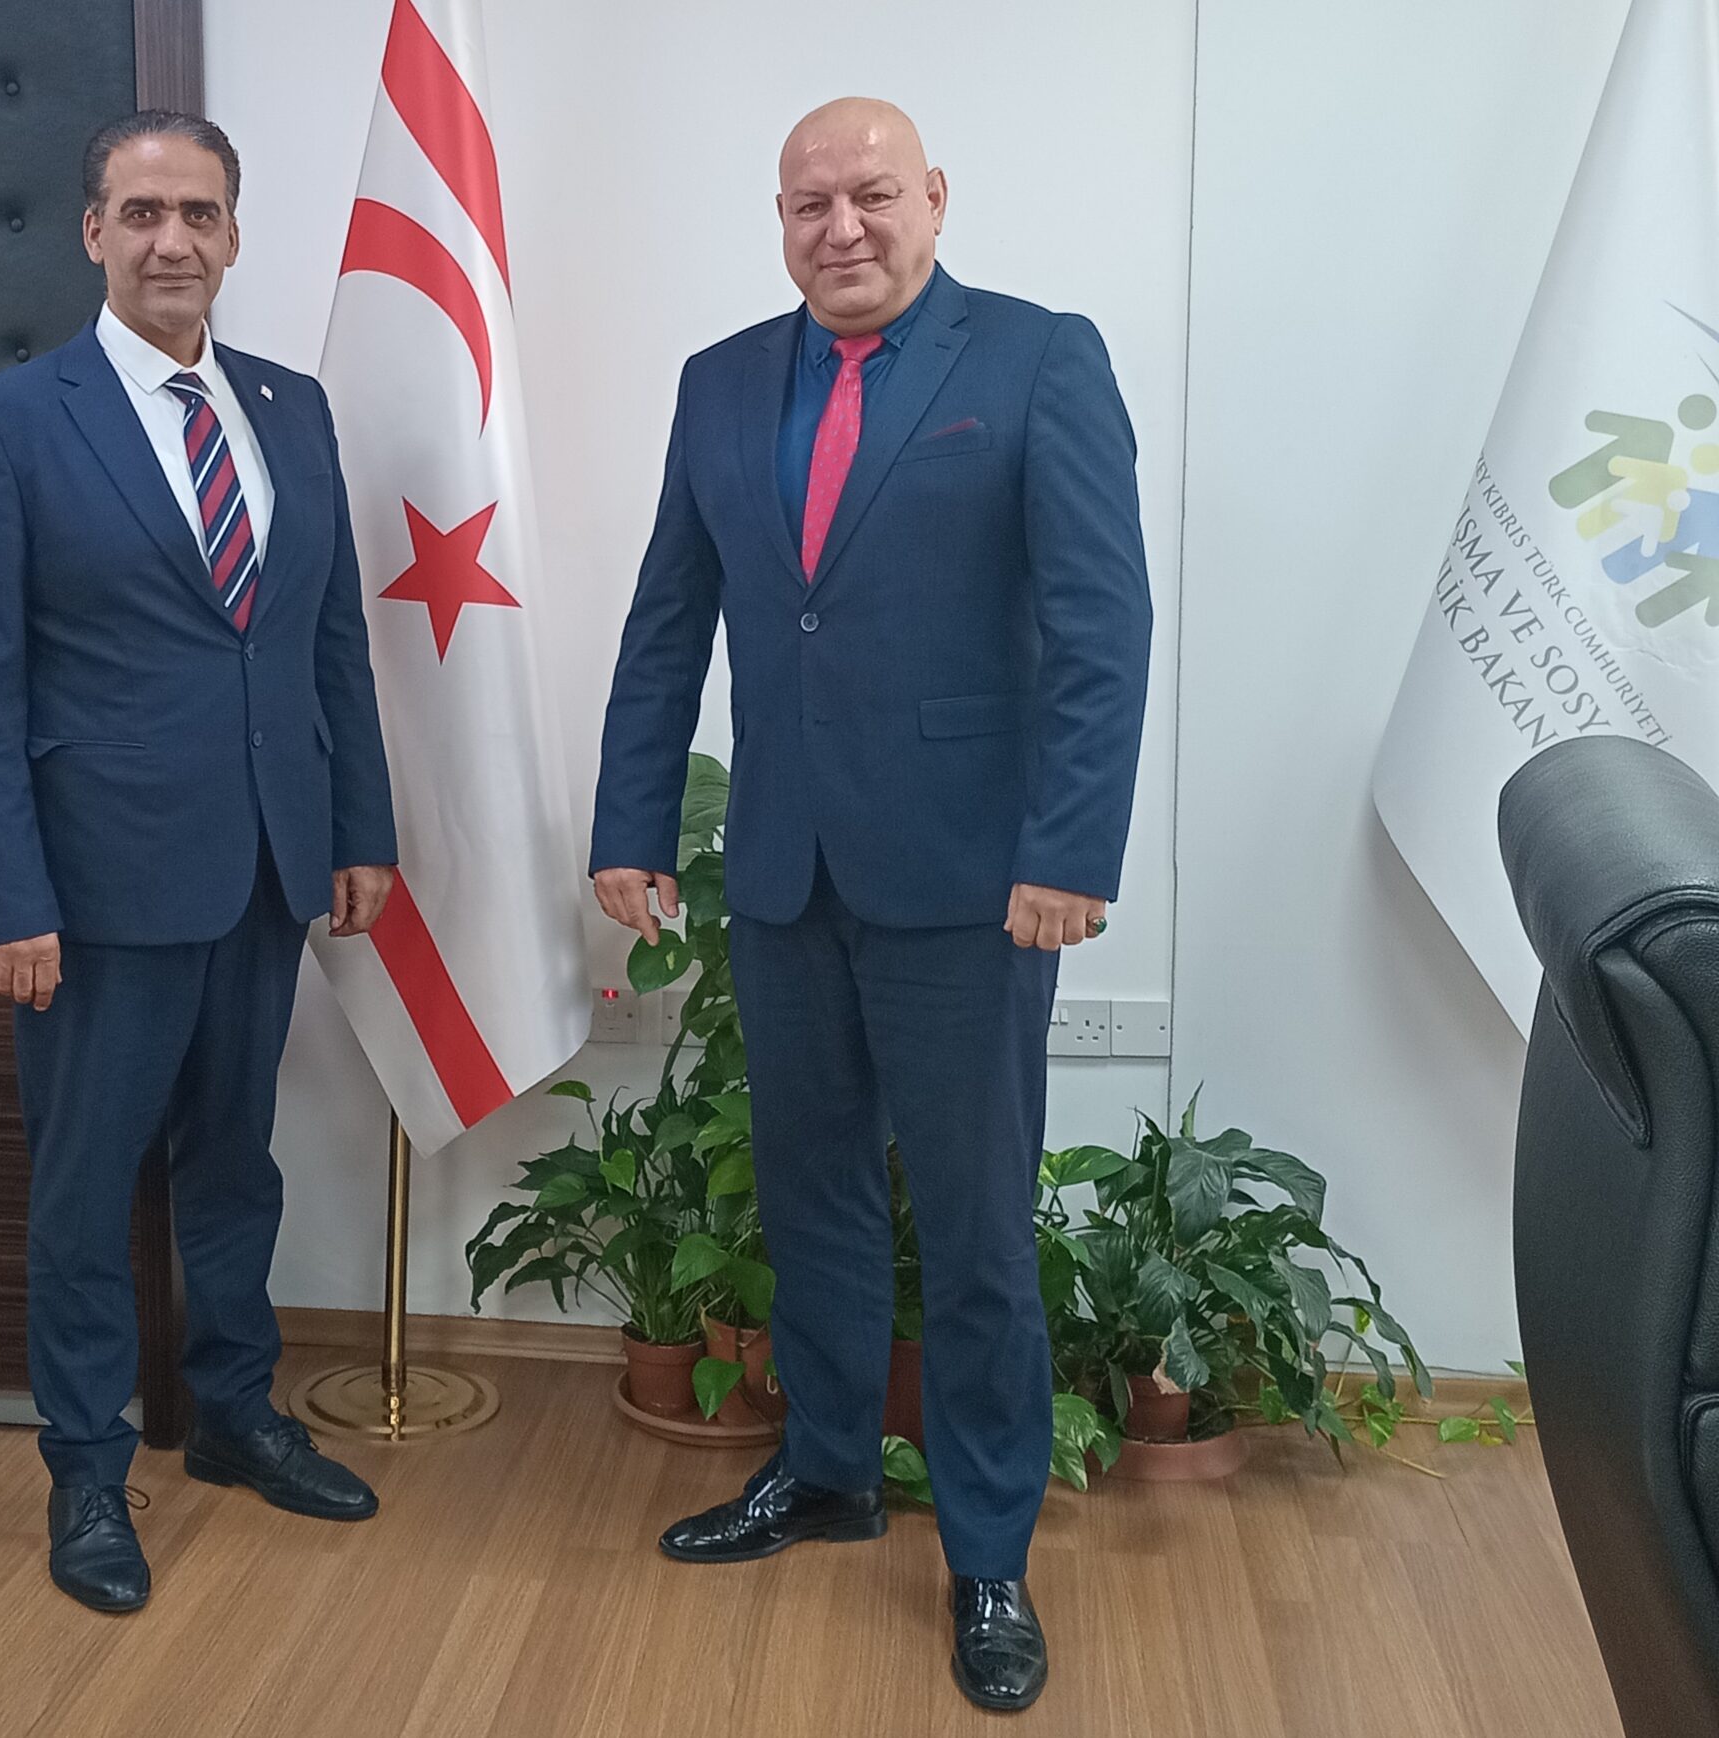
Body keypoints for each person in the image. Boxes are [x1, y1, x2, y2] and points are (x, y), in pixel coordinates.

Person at [587, 97, 1153, 1714]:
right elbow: (666, 619)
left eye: (874, 194)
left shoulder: (1038, 359)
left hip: (976, 885)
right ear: (781, 220)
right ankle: (829, 1469)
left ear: (935, 199)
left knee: (974, 1231)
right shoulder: (721, 382)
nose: (842, 226)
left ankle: (989, 1553)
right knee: (812, 1194)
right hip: (782, 869)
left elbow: (1104, 625)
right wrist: (633, 820)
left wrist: (1071, 850)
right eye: (810, 202)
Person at [0, 109, 399, 1616]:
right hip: (95, 892)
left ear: (234, 234)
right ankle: (85, 1466)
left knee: (236, 1162)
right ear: (94, 233)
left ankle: (237, 1412)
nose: (171, 240)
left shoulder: (290, 408)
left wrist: (360, 829)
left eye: (198, 213)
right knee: (84, 1192)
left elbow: (329, 638)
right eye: (141, 214)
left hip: (266, 868)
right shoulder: (10, 421)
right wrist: (9, 897)